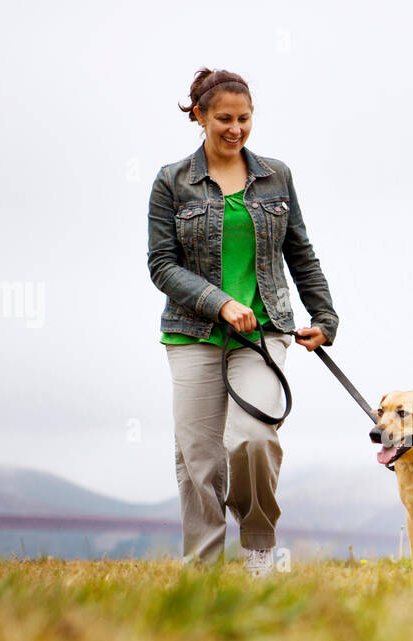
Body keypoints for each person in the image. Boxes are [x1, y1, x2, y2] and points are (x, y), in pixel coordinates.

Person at [147, 68, 339, 577]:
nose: (235, 129)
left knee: (254, 439)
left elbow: (300, 251)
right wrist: (218, 302)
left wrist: (324, 316)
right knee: (199, 460)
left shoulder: (276, 175)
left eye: (244, 119)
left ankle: (258, 551)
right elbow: (161, 264)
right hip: (193, 334)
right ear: (199, 117)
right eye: (224, 119)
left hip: (263, 332)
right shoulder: (171, 181)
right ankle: (202, 572)